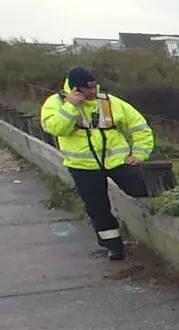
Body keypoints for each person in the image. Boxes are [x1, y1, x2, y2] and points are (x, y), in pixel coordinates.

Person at [40, 67, 154, 261]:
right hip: (83, 166)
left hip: (117, 161)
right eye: (88, 89)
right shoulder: (56, 103)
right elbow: (55, 128)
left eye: (95, 87)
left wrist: (138, 154)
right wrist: (71, 106)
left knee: (141, 187)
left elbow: (140, 127)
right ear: (76, 89)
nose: (93, 92)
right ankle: (113, 246)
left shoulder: (109, 102)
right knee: (97, 207)